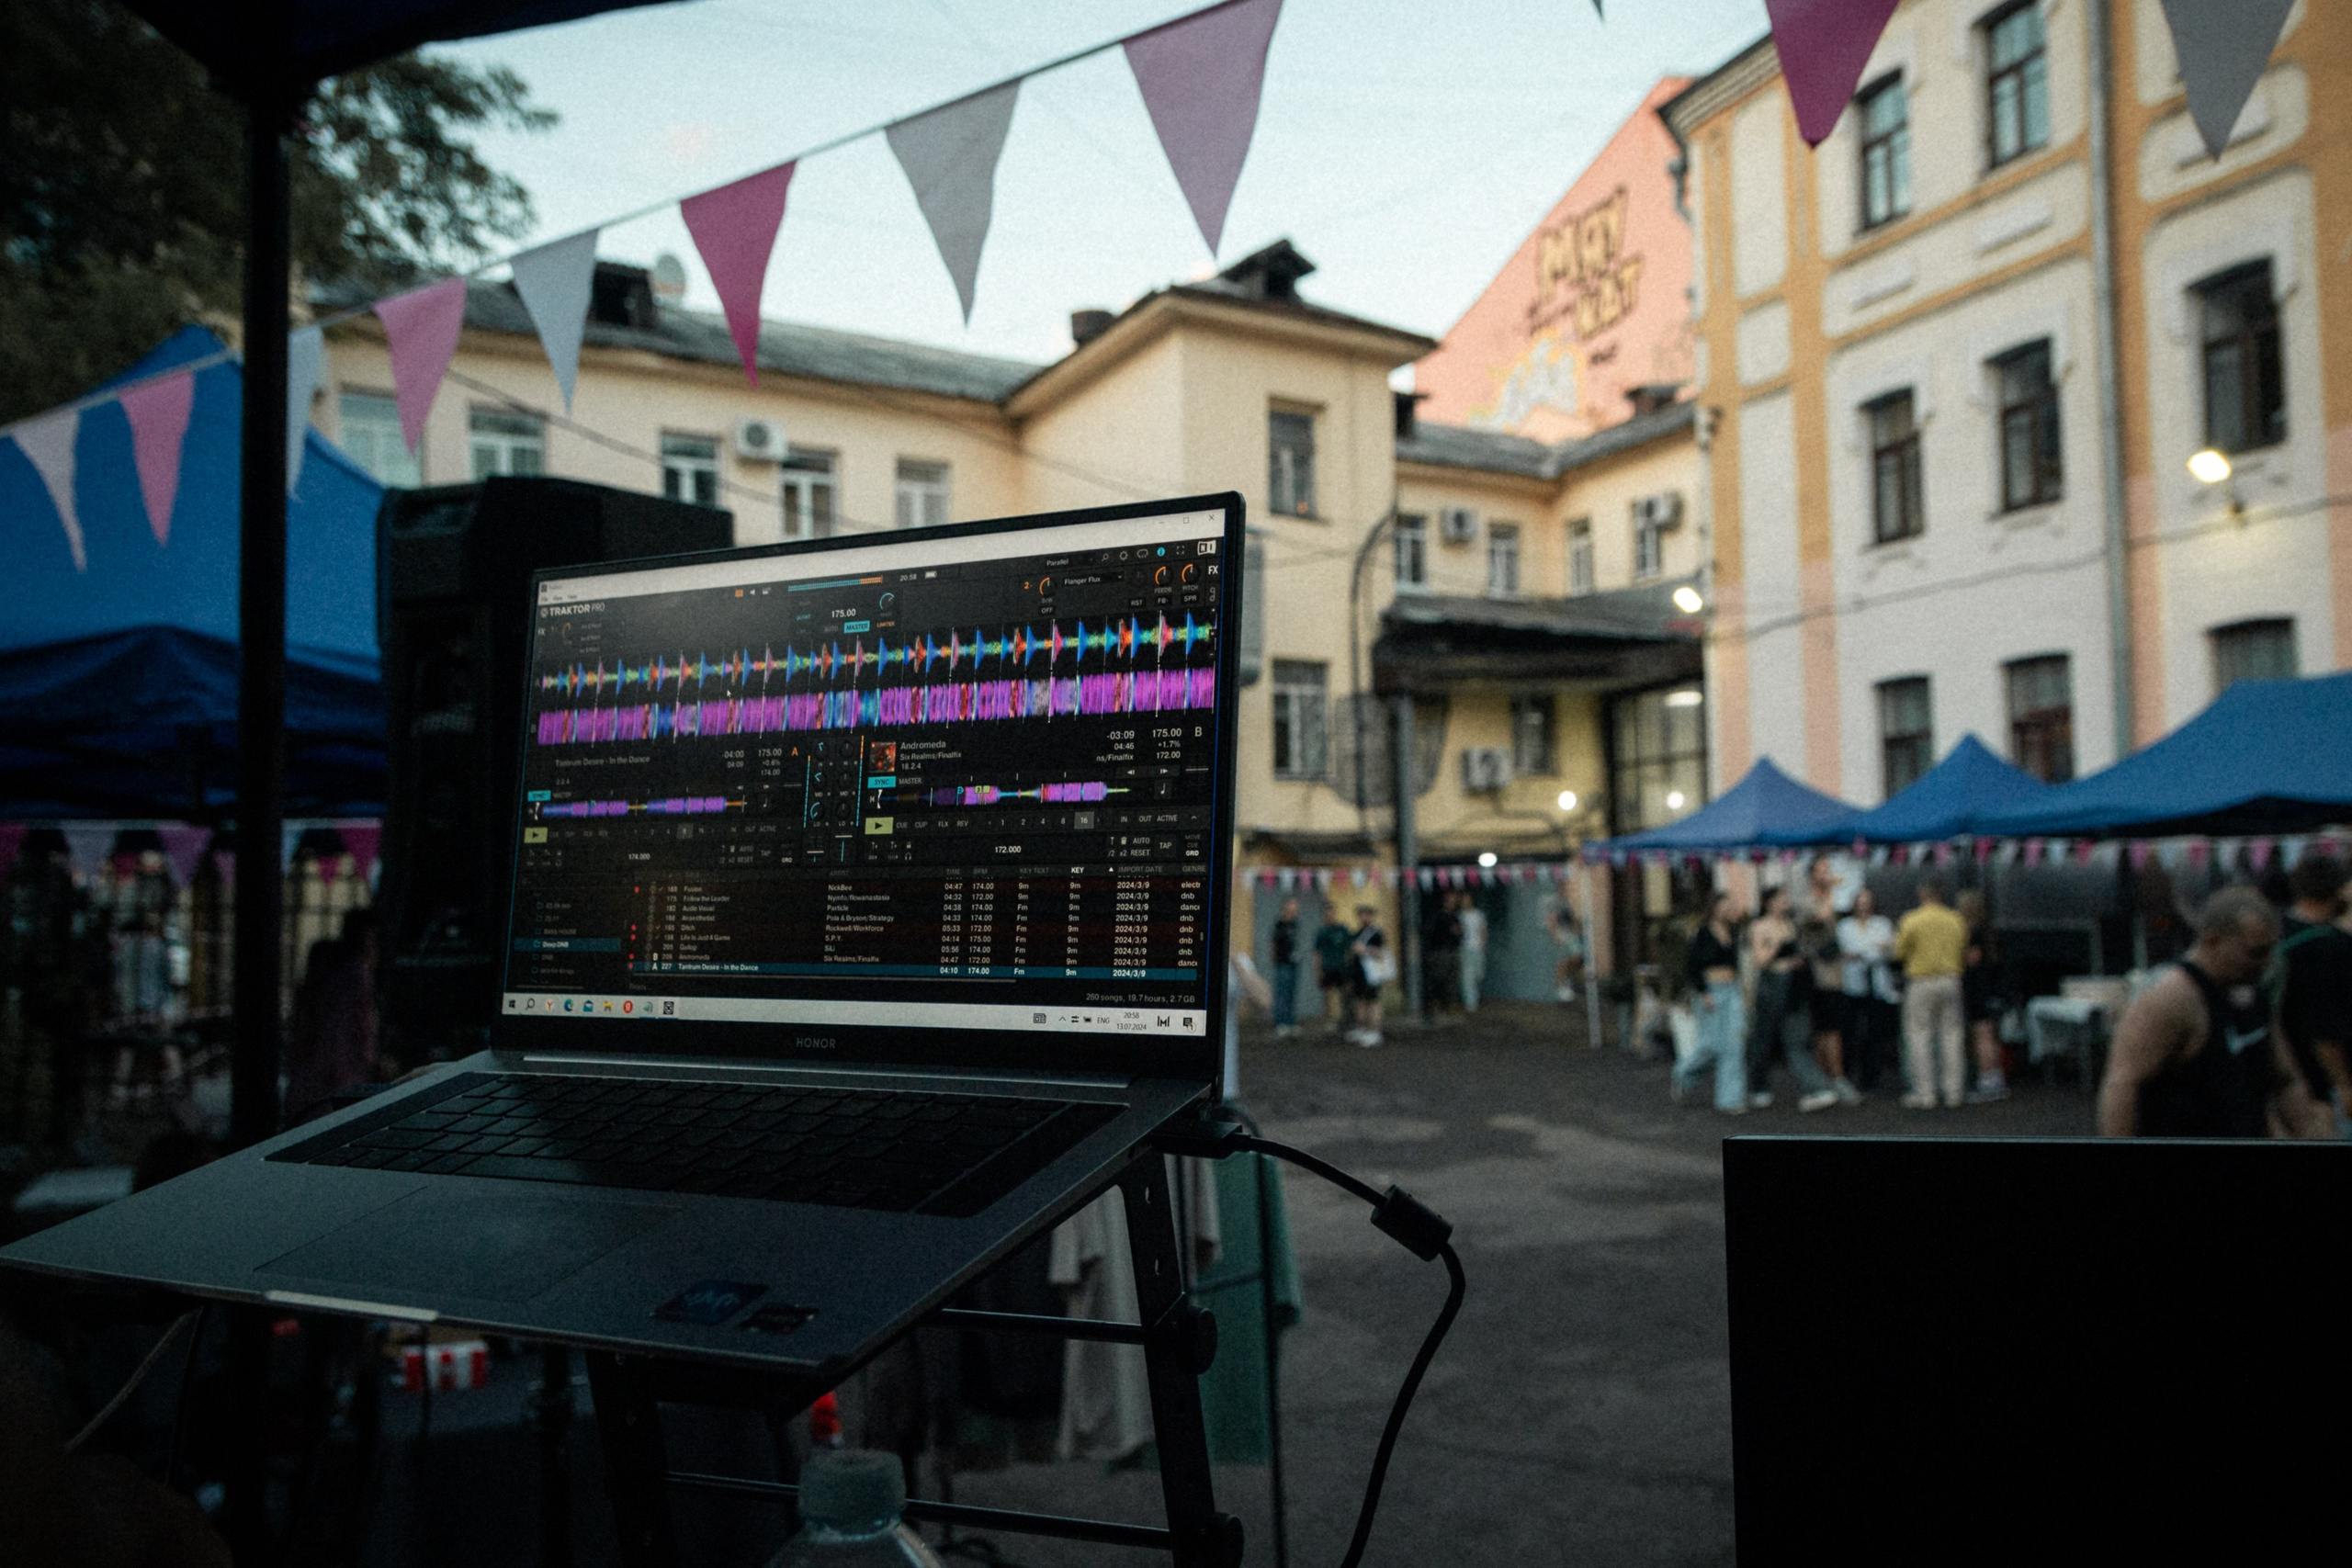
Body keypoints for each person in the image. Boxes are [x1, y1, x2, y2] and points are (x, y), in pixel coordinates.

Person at [2098, 885, 2334, 1138]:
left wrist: (2315, 1137)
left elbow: (2285, 1080)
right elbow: (2122, 1084)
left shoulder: (2253, 994)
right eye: (2255, 953)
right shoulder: (2172, 998)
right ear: (2212, 940)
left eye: (2269, 952)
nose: (2265, 964)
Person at [2273, 852, 2352, 1127]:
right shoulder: (2329, 946)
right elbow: (2325, 1026)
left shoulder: (2276, 928)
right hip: (2318, 1081)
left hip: (2281, 1070)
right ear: (2340, 889)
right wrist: (2343, 1084)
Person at [1747, 886, 1841, 1112]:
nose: (1785, 902)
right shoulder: (1760, 926)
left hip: (1794, 985)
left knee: (1797, 1039)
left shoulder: (1792, 924)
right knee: (1763, 1038)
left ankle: (1816, 1087)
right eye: (1781, 898)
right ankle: (1757, 1086)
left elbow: (1821, 921)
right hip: (1772, 984)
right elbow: (1760, 960)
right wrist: (1779, 946)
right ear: (1769, 902)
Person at [284, 906, 379, 1123]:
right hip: (336, 1086)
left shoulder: (327, 974)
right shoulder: (355, 976)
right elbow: (347, 1038)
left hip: (309, 1084)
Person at [1894, 878, 1969, 1110]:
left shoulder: (1912, 919)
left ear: (1922, 895)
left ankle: (1926, 1093)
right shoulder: (1956, 919)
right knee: (1952, 1036)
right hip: (1951, 980)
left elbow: (1898, 952)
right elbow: (1963, 948)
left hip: (1921, 981)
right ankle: (1954, 1092)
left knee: (1920, 1036)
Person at [1671, 893, 1748, 1114]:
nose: (1728, 910)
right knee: (1711, 1044)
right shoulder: (1702, 934)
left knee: (1734, 1044)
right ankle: (1683, 1072)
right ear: (1714, 908)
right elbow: (1693, 965)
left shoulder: (1733, 932)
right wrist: (1703, 992)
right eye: (1724, 906)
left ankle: (1730, 1098)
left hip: (1731, 989)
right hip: (1711, 991)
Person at [1801, 868, 1862, 1105]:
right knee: (1828, 1030)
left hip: (1835, 977)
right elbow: (1821, 917)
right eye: (1824, 869)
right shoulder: (1810, 902)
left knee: (1831, 1029)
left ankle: (1830, 1080)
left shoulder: (1828, 901)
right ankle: (1833, 1079)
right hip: (1819, 977)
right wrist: (1829, 891)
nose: (1829, 874)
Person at [1837, 887, 1898, 1093]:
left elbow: (1886, 949)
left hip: (1878, 986)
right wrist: (1871, 950)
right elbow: (1847, 951)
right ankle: (1846, 1074)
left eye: (1867, 901)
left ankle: (1870, 1077)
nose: (1864, 905)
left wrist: (1864, 952)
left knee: (1875, 1033)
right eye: (1860, 901)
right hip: (1852, 985)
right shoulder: (1845, 926)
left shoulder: (1882, 924)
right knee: (1851, 1031)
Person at [1955, 889, 2009, 1102]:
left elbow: (1971, 959)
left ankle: (1987, 1081)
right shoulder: (1989, 931)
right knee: (1990, 1036)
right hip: (1990, 987)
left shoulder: (1974, 933)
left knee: (1982, 1036)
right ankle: (1995, 1078)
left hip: (1978, 988)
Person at [1347, 904, 1391, 1048]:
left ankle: (1375, 1032)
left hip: (1372, 974)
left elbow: (1381, 952)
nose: (1364, 917)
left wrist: (1365, 949)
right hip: (1358, 973)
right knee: (1360, 1002)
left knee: (1373, 1002)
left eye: (1367, 914)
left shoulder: (1376, 933)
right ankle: (1362, 1029)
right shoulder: (1357, 933)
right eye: (1362, 914)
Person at [1314, 900, 1355, 1037]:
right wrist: (1318, 971)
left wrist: (1349, 967)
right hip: (1327, 968)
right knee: (1328, 998)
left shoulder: (1342, 930)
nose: (1329, 915)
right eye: (1326, 913)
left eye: (1331, 912)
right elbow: (1317, 954)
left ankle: (1347, 1023)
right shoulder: (1322, 932)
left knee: (1345, 996)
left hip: (1341, 968)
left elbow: (1350, 950)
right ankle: (1330, 1022)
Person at [1422, 891, 1462, 1015]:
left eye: (1454, 901)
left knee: (1451, 980)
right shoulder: (1437, 917)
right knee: (1438, 978)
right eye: (1449, 901)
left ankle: (1447, 1005)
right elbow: (1430, 935)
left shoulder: (1455, 917)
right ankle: (1435, 1004)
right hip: (1440, 952)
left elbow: (1460, 934)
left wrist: (1457, 934)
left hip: (1452, 951)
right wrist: (1429, 951)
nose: (1452, 903)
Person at [1269, 897, 1303, 1039]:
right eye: (1292, 908)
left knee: (1291, 993)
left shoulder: (1295, 924)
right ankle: (1281, 1023)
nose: (1294, 911)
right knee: (1281, 994)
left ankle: (1290, 1022)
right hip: (1282, 964)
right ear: (1286, 908)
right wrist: (1275, 960)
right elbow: (1273, 944)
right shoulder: (1279, 924)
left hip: (1293, 963)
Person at [1548, 896, 1586, 1002]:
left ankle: (1568, 980)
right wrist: (1555, 935)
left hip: (1570, 934)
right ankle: (1561, 986)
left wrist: (1576, 930)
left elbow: (1573, 920)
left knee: (1577, 958)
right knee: (1563, 962)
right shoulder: (1556, 905)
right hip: (1563, 934)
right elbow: (1552, 920)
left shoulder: (1567, 904)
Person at [1457, 892, 1488, 1014]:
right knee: (1467, 977)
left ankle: (1474, 998)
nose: (1465, 902)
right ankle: (1470, 1003)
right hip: (1465, 948)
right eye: (1463, 900)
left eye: (1467, 899)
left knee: (1478, 975)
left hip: (1477, 948)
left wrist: (1482, 944)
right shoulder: (1459, 916)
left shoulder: (1478, 914)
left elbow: (1483, 930)